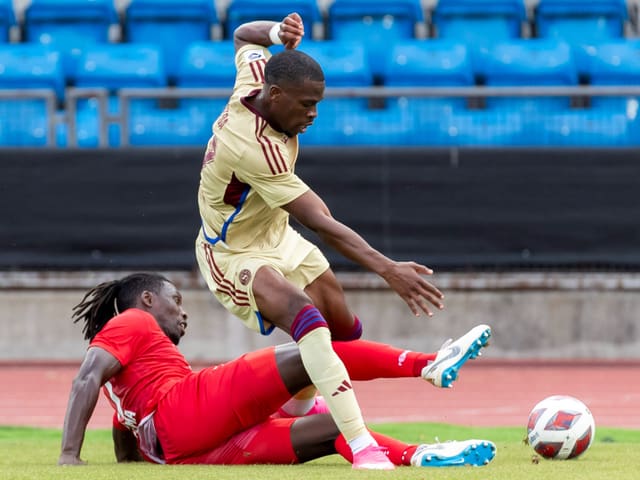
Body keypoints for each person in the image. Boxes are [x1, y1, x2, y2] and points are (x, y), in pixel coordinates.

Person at [193, 12, 464, 468]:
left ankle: (297, 408)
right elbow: (319, 219)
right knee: (309, 322)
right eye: (306, 104)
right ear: (275, 96)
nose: (314, 114)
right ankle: (363, 447)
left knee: (343, 329)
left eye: (318, 103)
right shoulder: (253, 147)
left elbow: (242, 34)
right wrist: (387, 268)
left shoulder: (258, 77)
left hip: (275, 235)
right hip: (231, 252)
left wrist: (278, 34)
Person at [58, 273, 495, 469]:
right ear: (149, 301)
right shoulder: (133, 321)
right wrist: (68, 455)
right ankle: (425, 365)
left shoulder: (131, 380)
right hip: (185, 410)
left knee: (331, 427)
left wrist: (129, 464)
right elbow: (85, 379)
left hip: (189, 450)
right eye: (177, 300)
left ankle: (415, 455)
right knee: (312, 349)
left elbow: (124, 427)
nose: (183, 312)